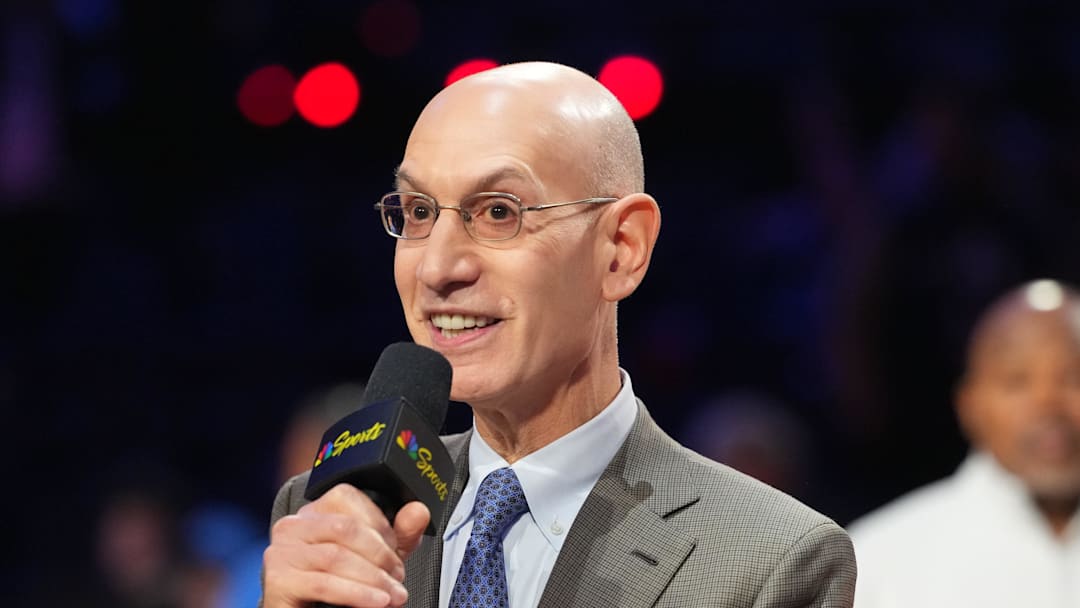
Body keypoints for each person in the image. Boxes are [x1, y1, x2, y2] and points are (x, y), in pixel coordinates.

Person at [261, 61, 856, 608]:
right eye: (418, 212)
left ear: (622, 249)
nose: (438, 268)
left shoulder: (768, 562)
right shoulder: (326, 512)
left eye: (498, 212)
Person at [848, 278, 1080, 607]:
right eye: (1016, 381)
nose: (1047, 404)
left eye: (1073, 377)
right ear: (969, 405)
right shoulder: (876, 559)